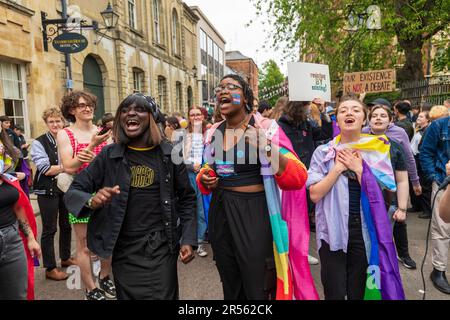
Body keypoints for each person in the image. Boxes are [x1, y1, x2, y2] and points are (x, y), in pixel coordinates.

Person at [197, 74, 318, 300]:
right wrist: (205, 177)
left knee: (257, 285)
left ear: (245, 97)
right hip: (221, 213)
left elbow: (298, 177)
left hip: (254, 214)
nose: (222, 91)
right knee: (230, 283)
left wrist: (266, 147)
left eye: (231, 87)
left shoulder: (266, 127)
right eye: (220, 88)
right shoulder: (214, 131)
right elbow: (208, 166)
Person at [64, 93, 197, 300]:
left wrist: (188, 238)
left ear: (152, 117)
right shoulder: (109, 155)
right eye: (125, 110)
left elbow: (187, 198)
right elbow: (75, 190)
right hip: (124, 249)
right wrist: (92, 200)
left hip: (161, 246)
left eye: (139, 109)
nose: (131, 113)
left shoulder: (170, 153)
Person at [307, 95, 405, 300]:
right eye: (343, 110)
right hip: (332, 231)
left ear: (364, 119)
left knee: (359, 291)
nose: (349, 113)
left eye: (355, 110)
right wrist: (338, 168)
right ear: (337, 119)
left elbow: (386, 195)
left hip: (365, 232)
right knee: (333, 291)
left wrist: (360, 171)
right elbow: (315, 195)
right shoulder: (323, 152)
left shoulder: (378, 149)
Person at [57, 90, 115, 300]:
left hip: (104, 192)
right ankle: (91, 289)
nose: (87, 108)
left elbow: (112, 163)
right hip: (80, 194)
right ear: (72, 110)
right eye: (81, 105)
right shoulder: (66, 134)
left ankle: (105, 277)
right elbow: (70, 167)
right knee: (84, 244)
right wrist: (92, 145)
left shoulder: (103, 131)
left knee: (107, 239)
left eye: (89, 104)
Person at [368, 105, 416, 270]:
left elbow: (402, 180)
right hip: (363, 204)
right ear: (369, 120)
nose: (378, 118)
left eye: (383, 115)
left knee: (382, 242)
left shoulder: (395, 147)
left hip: (388, 204)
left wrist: (402, 208)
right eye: (374, 115)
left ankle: (381, 278)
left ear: (390, 121)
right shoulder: (359, 144)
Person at [31, 108, 75, 281]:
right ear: (46, 123)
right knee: (49, 228)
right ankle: (50, 268)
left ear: (63, 121)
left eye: (58, 121)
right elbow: (46, 169)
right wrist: (69, 166)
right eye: (51, 121)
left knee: (66, 224)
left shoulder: (69, 138)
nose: (56, 124)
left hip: (65, 188)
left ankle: (65, 258)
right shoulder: (39, 143)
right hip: (46, 189)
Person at [420, 115, 450, 294]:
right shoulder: (439, 125)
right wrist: (434, 178)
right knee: (442, 228)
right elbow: (426, 153)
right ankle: (438, 270)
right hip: (443, 183)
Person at [177, 106, 209, 257]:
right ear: (188, 117)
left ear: (202, 117)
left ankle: (200, 240)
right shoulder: (183, 135)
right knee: (187, 207)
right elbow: (177, 158)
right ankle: (185, 240)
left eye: (198, 115)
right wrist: (190, 166)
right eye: (192, 115)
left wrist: (203, 168)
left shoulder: (209, 133)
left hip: (204, 176)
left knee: (202, 209)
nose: (195, 117)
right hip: (188, 175)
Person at [410, 111, 432, 219]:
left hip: (421, 159)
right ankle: (418, 206)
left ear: (428, 119)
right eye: (418, 116)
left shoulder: (427, 131)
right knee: (418, 183)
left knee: (425, 185)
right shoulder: (419, 129)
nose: (418, 118)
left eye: (421, 117)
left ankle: (427, 210)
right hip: (416, 158)